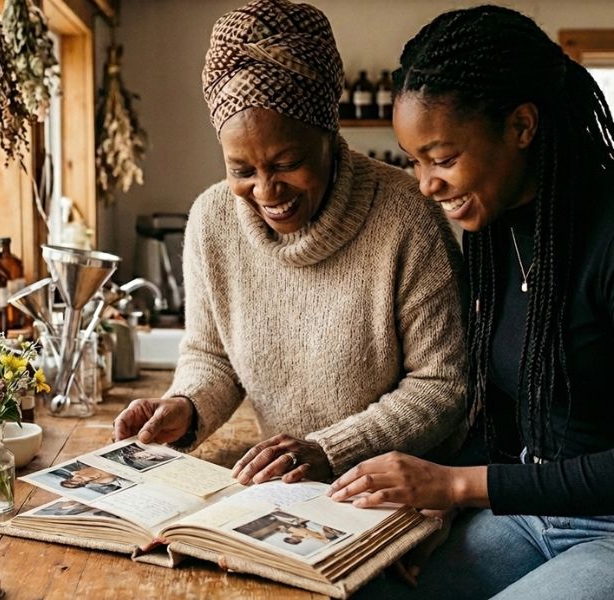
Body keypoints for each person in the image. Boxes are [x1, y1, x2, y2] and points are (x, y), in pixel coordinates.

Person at [114, 0, 466, 485]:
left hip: (396, 485)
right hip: (284, 486)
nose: (266, 191)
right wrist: (186, 406)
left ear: (328, 133)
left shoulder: (406, 215)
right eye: (241, 169)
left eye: (286, 164)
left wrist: (329, 449)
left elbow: (442, 384)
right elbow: (212, 355)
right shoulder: (212, 220)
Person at [326, 6, 614, 599]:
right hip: (527, 515)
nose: (426, 184)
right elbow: (504, 415)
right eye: (416, 161)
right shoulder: (494, 230)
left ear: (522, 126)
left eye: (444, 158)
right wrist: (439, 506)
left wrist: (458, 487)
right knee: (361, 586)